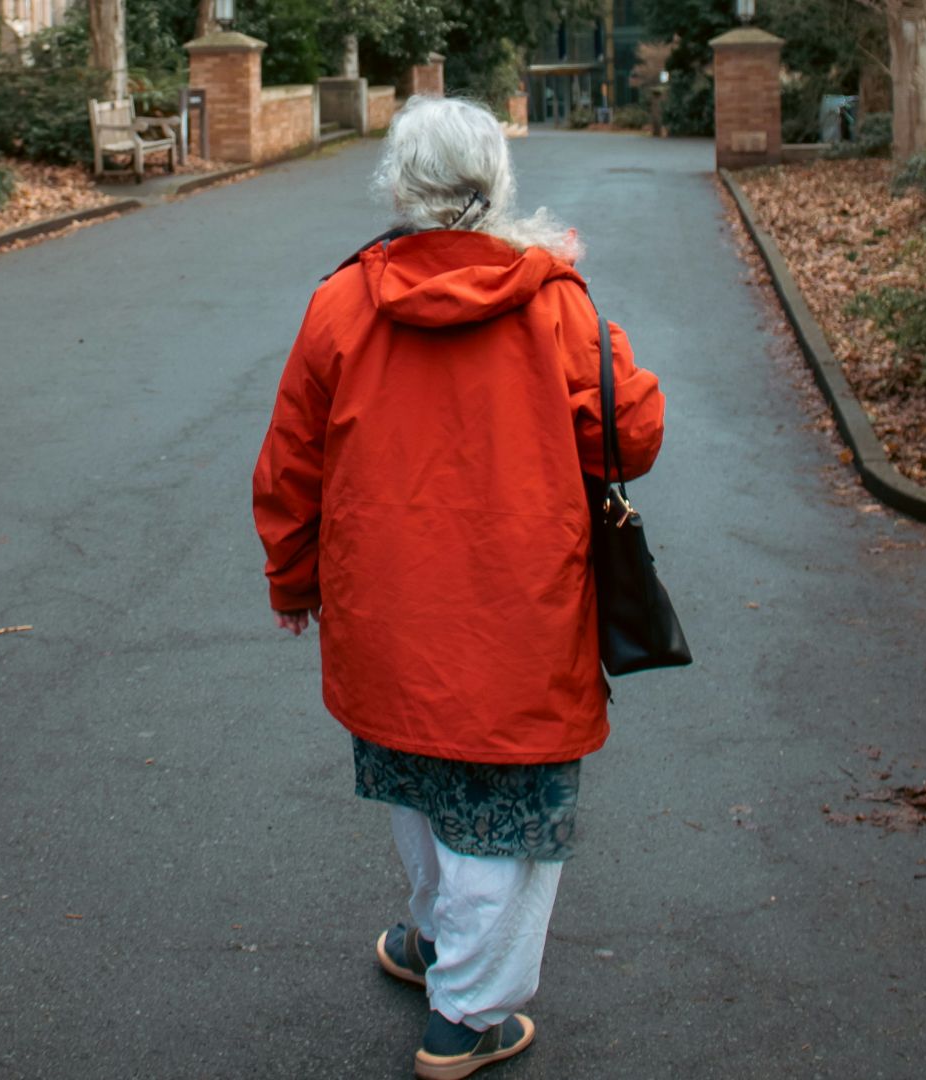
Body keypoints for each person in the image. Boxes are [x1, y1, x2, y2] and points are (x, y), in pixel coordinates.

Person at [250, 95, 666, 1079]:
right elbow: (632, 437)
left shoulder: (342, 302)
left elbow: (289, 467)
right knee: (507, 814)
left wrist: (292, 579)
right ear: (494, 188)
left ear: (400, 186)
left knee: (423, 777)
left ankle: (441, 943)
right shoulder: (553, 297)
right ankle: (468, 1013)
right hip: (519, 615)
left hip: (384, 614)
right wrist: (581, 302)